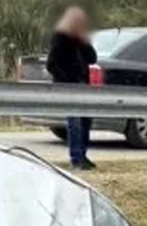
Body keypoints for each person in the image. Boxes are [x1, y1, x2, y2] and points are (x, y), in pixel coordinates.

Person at [46, 7, 98, 171]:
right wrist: (66, 81)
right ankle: (76, 159)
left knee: (86, 121)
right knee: (74, 122)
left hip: (83, 85)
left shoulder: (80, 39)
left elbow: (92, 58)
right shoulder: (60, 37)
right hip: (69, 85)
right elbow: (51, 64)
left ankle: (83, 155)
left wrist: (84, 41)